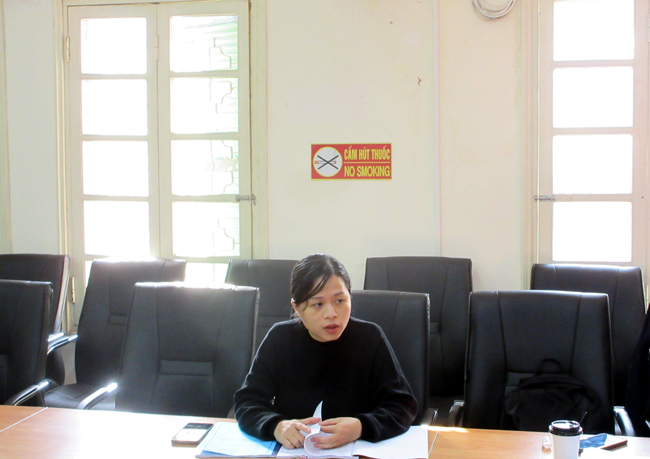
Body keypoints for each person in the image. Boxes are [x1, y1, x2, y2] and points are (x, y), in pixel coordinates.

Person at [233, 253, 417, 451]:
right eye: (318, 304)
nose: (331, 314)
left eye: (340, 301)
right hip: (295, 451)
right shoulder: (280, 338)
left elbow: (403, 405)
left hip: (357, 451)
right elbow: (247, 402)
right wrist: (276, 426)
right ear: (297, 308)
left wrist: (361, 427)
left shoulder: (370, 337)